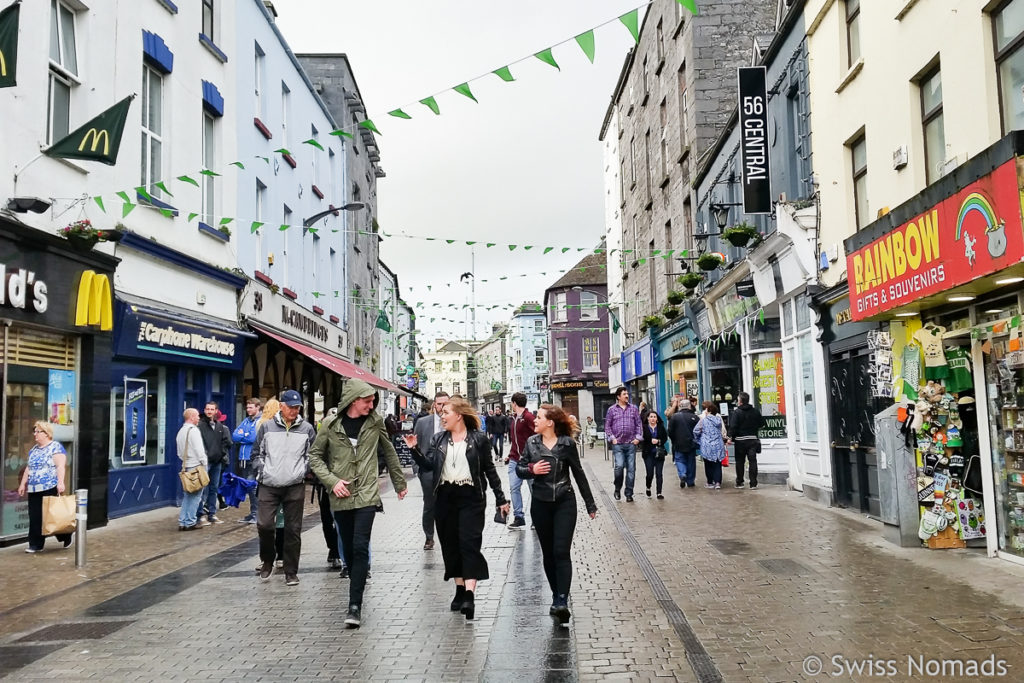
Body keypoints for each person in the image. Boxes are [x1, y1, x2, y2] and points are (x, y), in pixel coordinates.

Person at [309, 380, 408, 629]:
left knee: (361, 545)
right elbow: (315, 457)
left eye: (373, 401)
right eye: (367, 401)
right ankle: (356, 581)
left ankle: (354, 605)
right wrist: (332, 482)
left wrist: (399, 483)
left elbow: (389, 450)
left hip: (366, 493)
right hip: (341, 495)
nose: (371, 405)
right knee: (350, 548)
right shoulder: (330, 425)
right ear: (354, 400)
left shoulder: (375, 423)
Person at [405, 397, 509, 621]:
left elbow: (490, 470)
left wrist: (501, 498)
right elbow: (430, 465)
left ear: (459, 415)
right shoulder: (438, 439)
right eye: (441, 413)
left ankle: (470, 594)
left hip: (471, 497)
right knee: (451, 546)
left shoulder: (479, 439)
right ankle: (459, 588)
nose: (442, 416)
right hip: (445, 497)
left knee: (469, 544)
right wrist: (414, 450)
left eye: (446, 413)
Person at [517, 405, 597, 623]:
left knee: (561, 551)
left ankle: (562, 599)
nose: (535, 420)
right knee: (549, 553)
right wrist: (531, 470)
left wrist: (590, 504)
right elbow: (519, 469)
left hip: (564, 501)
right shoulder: (532, 443)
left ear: (550, 422)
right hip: (540, 503)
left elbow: (578, 473)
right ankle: (555, 594)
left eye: (539, 417)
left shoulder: (566, 444)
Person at [252, 390, 317, 587]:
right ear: (281, 406)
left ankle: (291, 571)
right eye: (291, 407)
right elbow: (256, 453)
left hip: (294, 485)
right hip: (268, 484)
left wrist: (302, 471)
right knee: (264, 525)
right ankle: (268, 560)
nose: (294, 411)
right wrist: (263, 472)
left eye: (297, 407)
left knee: (293, 529)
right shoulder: (267, 427)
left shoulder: (307, 429)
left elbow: (312, 455)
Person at [17, 421, 73, 551]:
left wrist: (60, 482)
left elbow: (60, 466)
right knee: (35, 517)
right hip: (34, 488)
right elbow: (28, 468)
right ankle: (35, 545)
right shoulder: (33, 450)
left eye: (38, 431)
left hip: (49, 486)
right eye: (34, 431)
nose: (35, 434)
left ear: (46, 433)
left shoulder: (56, 447)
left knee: (52, 516)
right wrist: (22, 484)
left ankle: (66, 535)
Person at [412, 391, 450, 550]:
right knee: (429, 504)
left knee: (448, 502)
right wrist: (417, 468)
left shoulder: (453, 420)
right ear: (434, 404)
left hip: (448, 468)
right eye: (439, 404)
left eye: (445, 404)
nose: (442, 407)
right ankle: (429, 537)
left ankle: (447, 535)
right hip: (427, 469)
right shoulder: (422, 422)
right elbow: (415, 443)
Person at [197, 401, 232, 526]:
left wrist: (221, 454)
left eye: (212, 409)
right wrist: (205, 455)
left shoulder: (220, 426)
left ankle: (212, 513)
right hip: (205, 462)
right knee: (203, 488)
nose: (209, 411)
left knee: (214, 488)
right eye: (207, 409)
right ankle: (200, 514)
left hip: (217, 462)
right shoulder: (199, 425)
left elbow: (227, 442)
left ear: (216, 411)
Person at [605, 386, 642, 502]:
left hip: (631, 443)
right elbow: (607, 426)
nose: (627, 396)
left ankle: (629, 493)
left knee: (631, 469)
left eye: (627, 394)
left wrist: (638, 438)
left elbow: (639, 424)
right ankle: (617, 488)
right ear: (618, 397)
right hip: (618, 444)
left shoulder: (634, 409)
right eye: (624, 394)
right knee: (619, 467)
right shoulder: (612, 410)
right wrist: (612, 438)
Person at [174, 409, 207, 531]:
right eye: (197, 416)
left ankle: (183, 521)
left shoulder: (181, 431)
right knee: (196, 496)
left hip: (186, 467)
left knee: (187, 495)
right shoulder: (194, 431)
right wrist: (204, 463)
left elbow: (179, 453)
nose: (199, 418)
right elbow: (199, 450)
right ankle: (190, 522)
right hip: (196, 466)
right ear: (192, 417)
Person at [506, 392, 535, 528]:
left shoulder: (528, 417)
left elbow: (536, 435)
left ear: (514, 403)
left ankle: (536, 518)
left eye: (512, 404)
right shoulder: (514, 418)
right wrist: (510, 453)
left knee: (533, 489)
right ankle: (519, 517)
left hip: (528, 460)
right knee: (514, 488)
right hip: (514, 458)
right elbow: (515, 439)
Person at [232, 398, 262, 524]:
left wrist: (243, 435)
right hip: (243, 458)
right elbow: (235, 436)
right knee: (248, 487)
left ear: (257, 407)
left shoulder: (260, 421)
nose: (248, 409)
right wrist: (244, 435)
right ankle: (253, 513)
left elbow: (254, 438)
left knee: (252, 487)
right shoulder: (246, 421)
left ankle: (257, 514)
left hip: (253, 458)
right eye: (247, 407)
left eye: (251, 407)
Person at [728, 392, 764, 489]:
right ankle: (753, 483)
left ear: (740, 401)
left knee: (740, 462)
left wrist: (730, 436)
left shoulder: (737, 412)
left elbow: (733, 426)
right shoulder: (755, 411)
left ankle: (740, 482)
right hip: (752, 440)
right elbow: (761, 424)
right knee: (753, 461)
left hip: (740, 441)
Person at [668, 399, 700, 488]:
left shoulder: (674, 417)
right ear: (689, 406)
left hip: (678, 444)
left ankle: (682, 474)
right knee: (691, 462)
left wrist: (674, 440)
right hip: (691, 444)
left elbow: (670, 431)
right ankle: (690, 481)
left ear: (680, 406)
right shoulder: (695, 417)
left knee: (679, 460)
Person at [694, 401, 726, 489]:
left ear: (708, 410)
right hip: (718, 444)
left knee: (708, 464)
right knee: (717, 463)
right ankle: (718, 482)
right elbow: (721, 430)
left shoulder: (703, 421)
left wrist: (699, 440)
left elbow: (695, 431)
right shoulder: (718, 420)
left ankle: (710, 482)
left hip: (706, 445)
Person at [640, 411, 668, 499]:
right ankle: (648, 487)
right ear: (647, 418)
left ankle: (659, 492)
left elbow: (665, 438)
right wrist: (649, 441)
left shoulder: (661, 427)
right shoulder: (643, 428)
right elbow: (641, 440)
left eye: (654, 417)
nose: (653, 419)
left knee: (659, 473)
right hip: (648, 453)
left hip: (659, 453)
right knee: (650, 473)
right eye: (651, 417)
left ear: (657, 419)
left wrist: (659, 441)